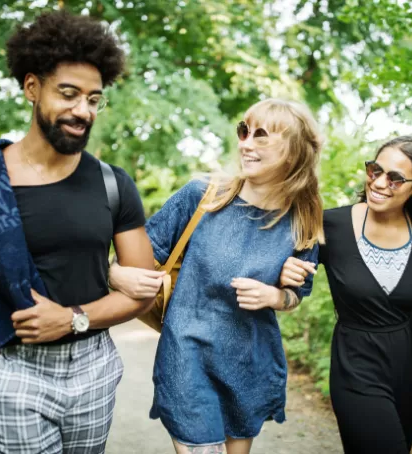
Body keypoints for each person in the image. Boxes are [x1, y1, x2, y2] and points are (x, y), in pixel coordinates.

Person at [0, 11, 161, 454]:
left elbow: (144, 291)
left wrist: (73, 317)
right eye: (69, 94)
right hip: (15, 367)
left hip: (93, 368)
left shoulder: (113, 184)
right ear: (32, 87)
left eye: (94, 99)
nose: (83, 110)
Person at [109, 98, 323, 453]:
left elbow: (298, 294)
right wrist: (115, 275)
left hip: (249, 364)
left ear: (293, 152)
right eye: (244, 131)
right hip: (186, 356)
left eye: (261, 135)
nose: (246, 143)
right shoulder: (203, 196)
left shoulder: (303, 219)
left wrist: (276, 296)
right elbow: (132, 259)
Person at [279, 136, 412, 453]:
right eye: (375, 170)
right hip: (355, 361)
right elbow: (289, 281)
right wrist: (284, 273)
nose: (379, 182)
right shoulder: (329, 224)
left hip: (407, 369)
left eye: (395, 178)